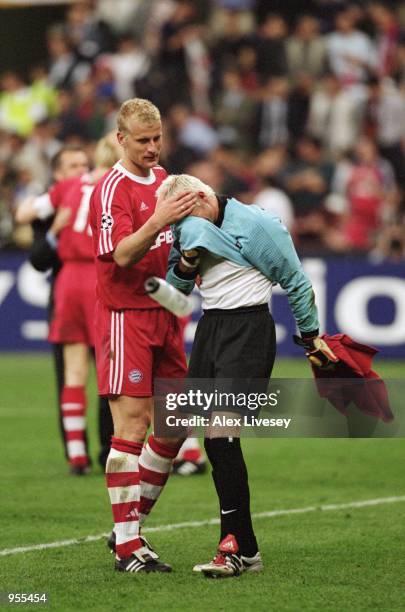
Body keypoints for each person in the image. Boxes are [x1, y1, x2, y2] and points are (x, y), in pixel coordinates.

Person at [162, 173, 337, 577]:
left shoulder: (259, 224)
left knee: (222, 438)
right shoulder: (184, 227)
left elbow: (295, 280)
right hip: (210, 331)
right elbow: (174, 296)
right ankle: (245, 548)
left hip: (249, 331)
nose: (186, 224)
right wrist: (187, 261)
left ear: (204, 196)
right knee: (214, 443)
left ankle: (235, 547)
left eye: (189, 213)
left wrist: (311, 338)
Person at [88, 98, 198, 573]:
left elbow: (175, 247)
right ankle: (130, 548)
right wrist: (159, 219)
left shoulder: (165, 180)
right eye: (143, 141)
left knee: (174, 427)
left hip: (164, 314)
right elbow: (122, 255)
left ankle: (126, 529)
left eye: (157, 139)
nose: (153, 148)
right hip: (125, 316)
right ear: (121, 139)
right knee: (130, 428)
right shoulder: (111, 189)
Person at [16, 137, 120, 474]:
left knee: (74, 374)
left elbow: (23, 211)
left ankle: (78, 454)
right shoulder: (117, 183)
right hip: (99, 279)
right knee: (112, 372)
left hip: (67, 285)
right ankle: (132, 448)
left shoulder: (69, 188)